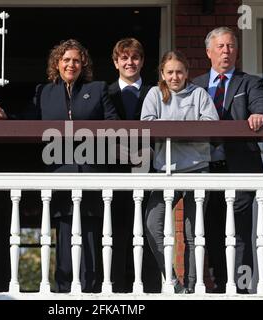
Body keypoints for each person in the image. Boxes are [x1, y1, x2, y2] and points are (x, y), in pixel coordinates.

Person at [0, 39, 118, 293]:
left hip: (91, 174)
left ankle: (90, 296)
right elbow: (28, 122)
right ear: (57, 64)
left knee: (91, 241)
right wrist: (5, 118)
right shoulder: (44, 92)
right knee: (65, 241)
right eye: (66, 60)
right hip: (59, 174)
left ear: (84, 64)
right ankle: (62, 295)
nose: (71, 64)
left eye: (76, 60)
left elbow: (114, 124)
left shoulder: (98, 88)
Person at [192, 27, 263, 293]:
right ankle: (218, 287)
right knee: (211, 234)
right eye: (220, 47)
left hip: (239, 168)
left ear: (236, 51)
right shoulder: (196, 86)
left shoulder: (249, 82)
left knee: (239, 235)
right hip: (205, 169)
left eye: (230, 46)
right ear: (208, 52)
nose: (226, 51)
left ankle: (241, 289)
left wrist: (258, 114)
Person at [141, 50, 219, 293]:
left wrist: (175, 131)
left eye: (179, 72)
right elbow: (147, 125)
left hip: (197, 170)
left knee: (193, 233)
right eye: (170, 72)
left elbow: (211, 125)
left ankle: (194, 287)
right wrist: (182, 129)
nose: (175, 77)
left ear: (187, 73)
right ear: (163, 74)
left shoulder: (199, 95)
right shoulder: (155, 94)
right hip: (167, 172)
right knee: (153, 225)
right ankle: (174, 282)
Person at [108, 38, 161, 293]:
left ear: (142, 61)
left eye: (135, 57)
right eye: (124, 58)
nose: (130, 63)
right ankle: (115, 291)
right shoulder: (104, 93)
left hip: (148, 171)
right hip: (113, 174)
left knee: (149, 232)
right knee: (116, 235)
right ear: (116, 62)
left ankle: (150, 290)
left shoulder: (157, 92)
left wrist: (150, 151)